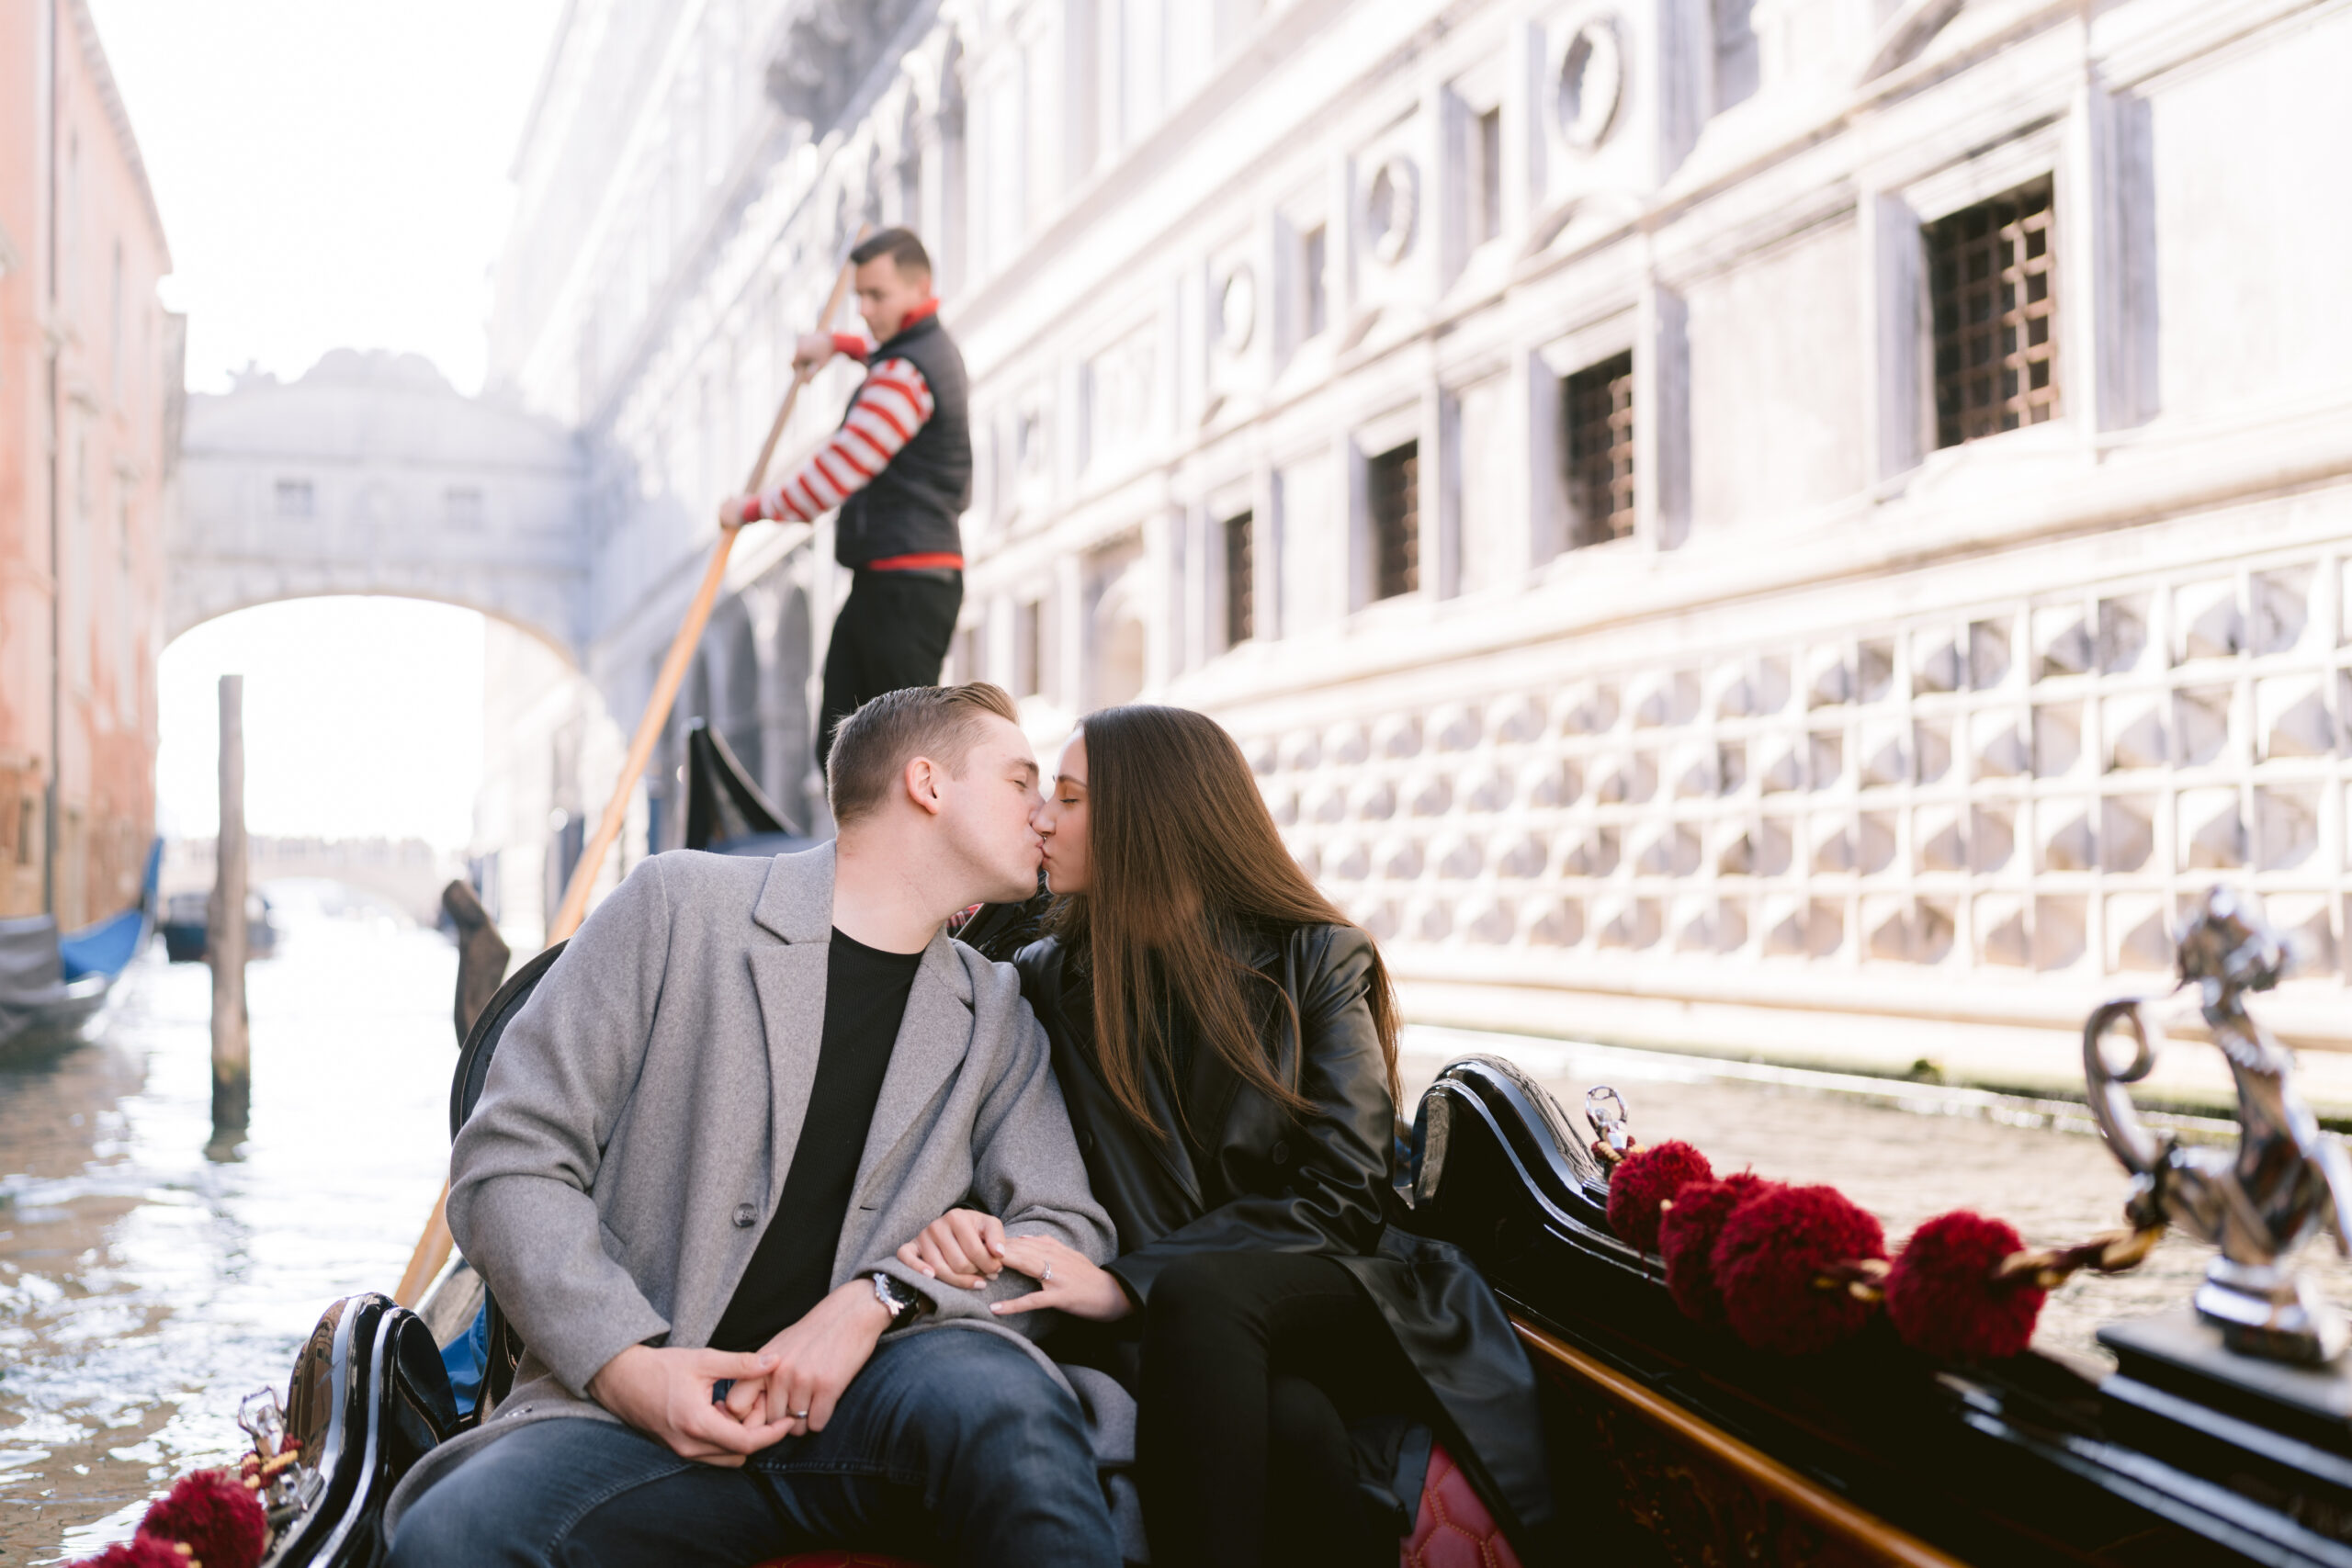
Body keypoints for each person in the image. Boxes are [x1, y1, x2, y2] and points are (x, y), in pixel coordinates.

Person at [382, 682, 1122, 1568]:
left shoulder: (995, 1008)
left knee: (1004, 1402)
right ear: (928, 784)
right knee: (453, 1536)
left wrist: (880, 1298)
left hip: (876, 1408)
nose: (1045, 813)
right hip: (630, 1419)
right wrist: (628, 1365)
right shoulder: (675, 907)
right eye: (1019, 781)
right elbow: (510, 1161)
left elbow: (1064, 1228)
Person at [899, 705, 1555, 1567]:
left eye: (1069, 797)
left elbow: (1346, 1194)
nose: (1041, 817)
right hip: (1191, 1334)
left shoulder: (1318, 956)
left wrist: (1129, 1285)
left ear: (1150, 817)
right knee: (1292, 1421)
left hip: (1342, 1284)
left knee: (1204, 1297)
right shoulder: (1046, 982)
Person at [721, 227, 970, 779]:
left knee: (882, 761)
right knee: (847, 752)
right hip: (893, 585)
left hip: (904, 592)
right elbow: (884, 355)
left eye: (877, 296)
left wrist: (750, 509)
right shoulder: (916, 355)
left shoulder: (905, 375)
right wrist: (838, 346)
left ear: (919, 287)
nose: (862, 309)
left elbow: (830, 479)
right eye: (859, 295)